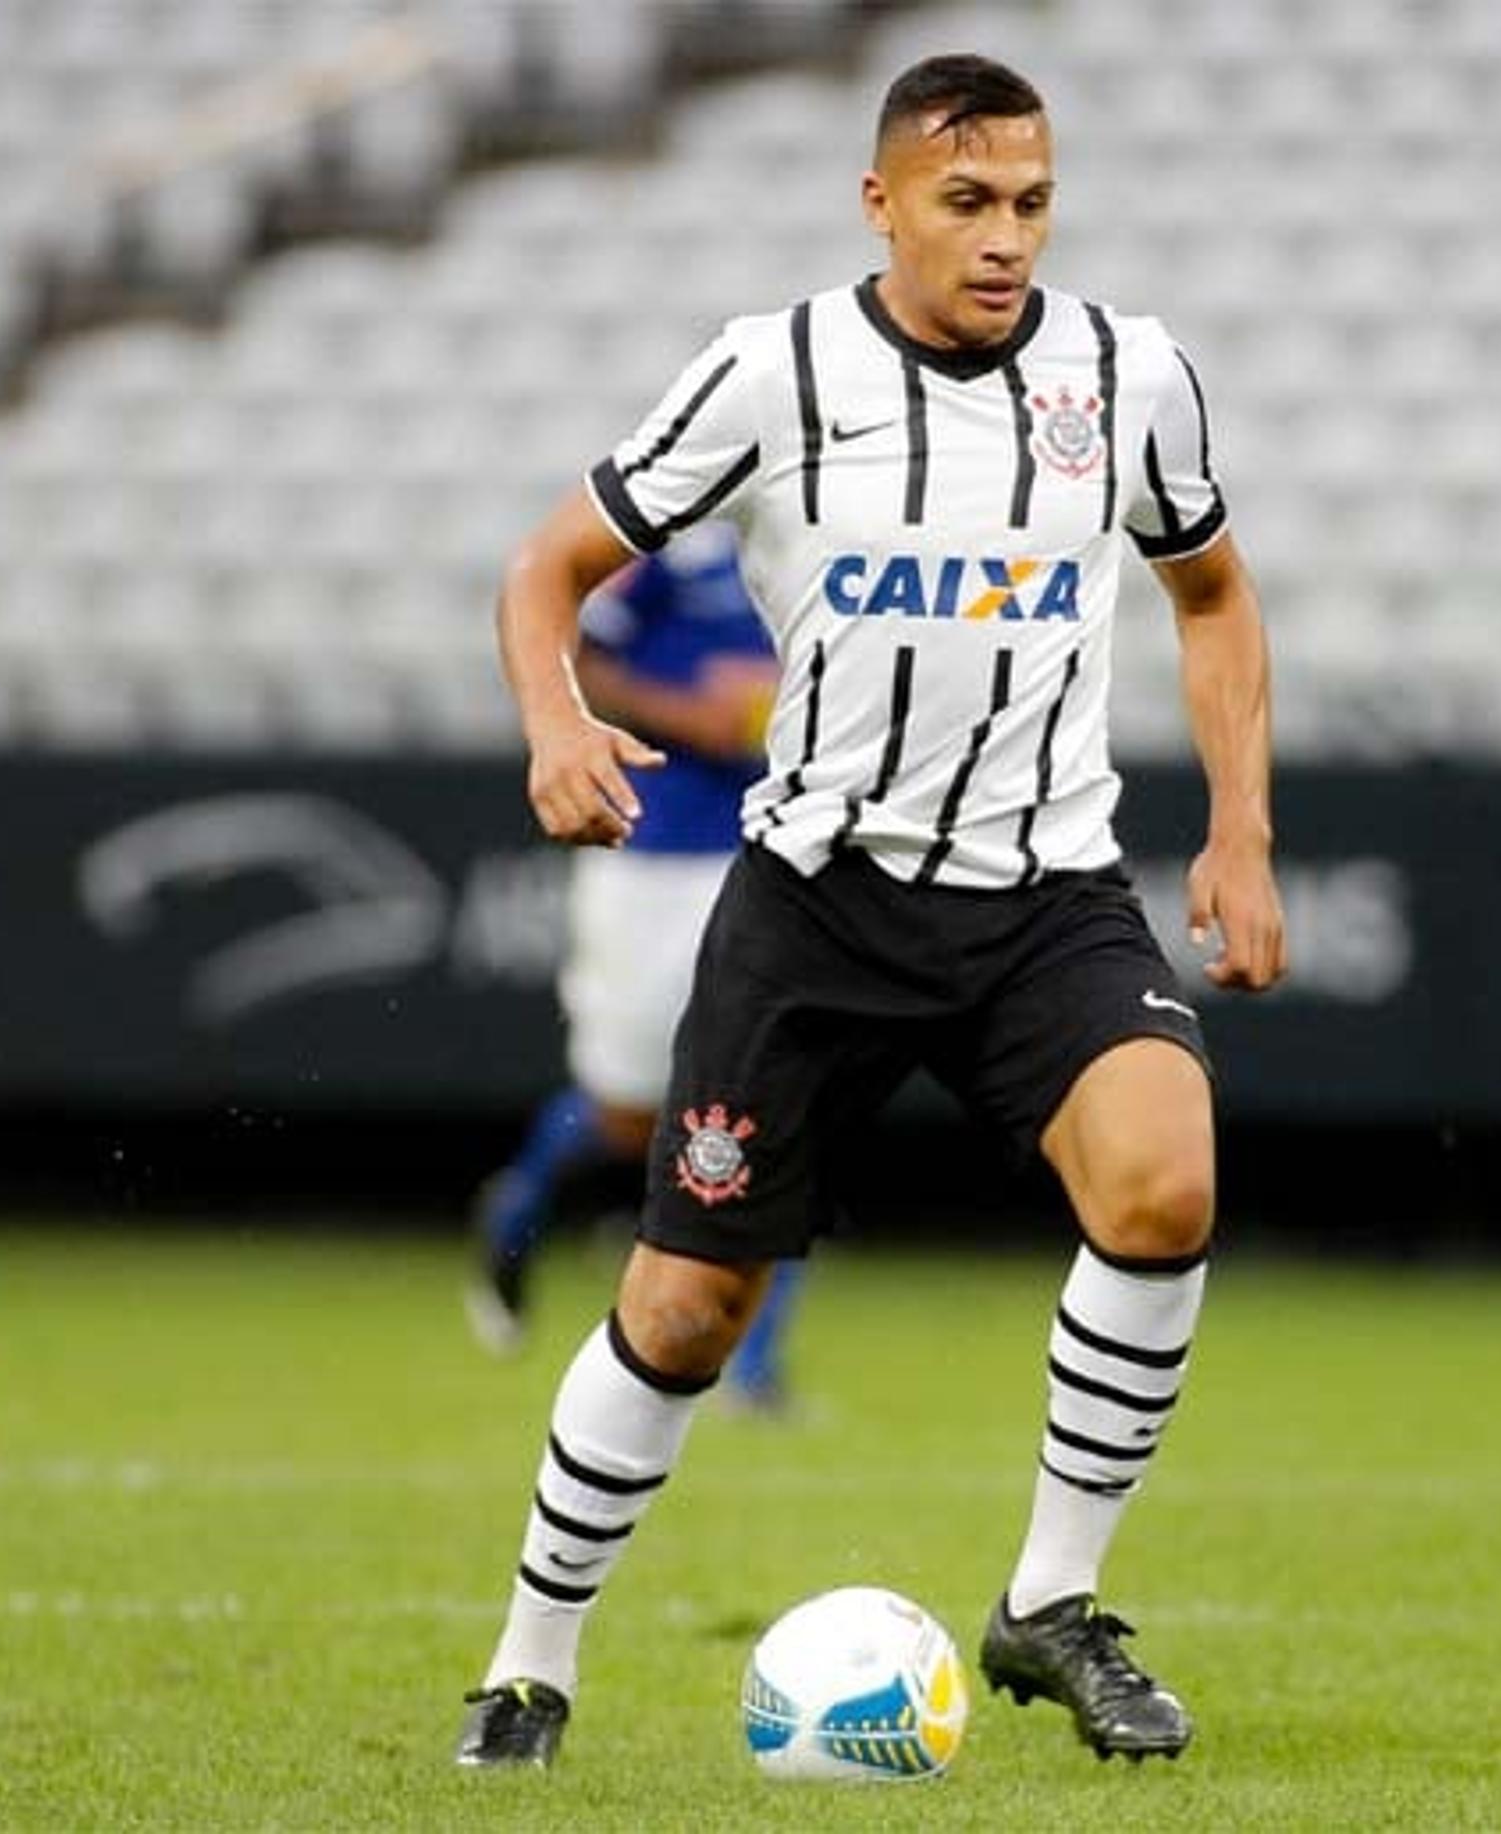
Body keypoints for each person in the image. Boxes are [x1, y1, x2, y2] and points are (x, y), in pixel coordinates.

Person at [455, 53, 1286, 1773]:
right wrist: (555, 719)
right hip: (818, 905)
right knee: (688, 1308)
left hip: (1044, 892)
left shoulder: (1130, 377)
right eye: (967, 201)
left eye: (1033, 202)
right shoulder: (777, 372)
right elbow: (545, 572)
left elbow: (1210, 594)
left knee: (1168, 1174)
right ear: (882, 200)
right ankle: (531, 1660)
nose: (1005, 237)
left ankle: (1052, 1599)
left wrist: (1241, 829)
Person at [463, 524, 803, 1409]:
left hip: (773, 851)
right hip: (651, 851)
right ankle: (518, 1208)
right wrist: (694, 713)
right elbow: (572, 652)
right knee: (627, 1113)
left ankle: (754, 1368)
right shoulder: (669, 563)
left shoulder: (821, 551)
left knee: (777, 1101)